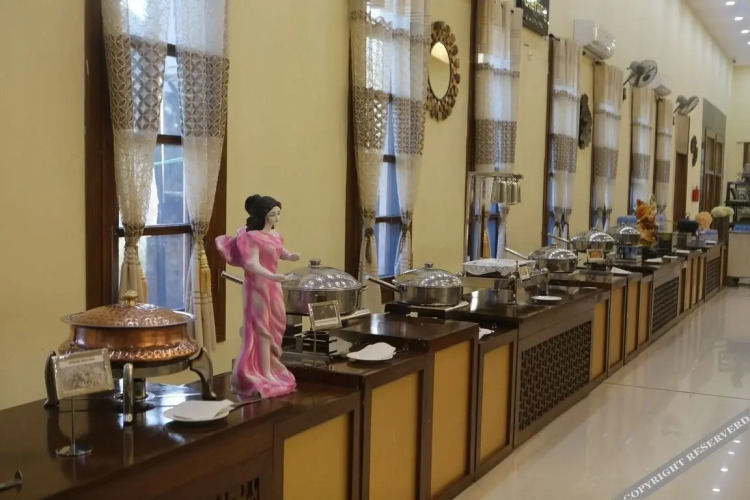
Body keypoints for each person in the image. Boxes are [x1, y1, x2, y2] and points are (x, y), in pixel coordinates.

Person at [215, 194, 300, 398]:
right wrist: (272, 275)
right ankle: (264, 372)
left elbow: (278, 250)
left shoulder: (275, 234)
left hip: (274, 286)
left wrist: (289, 256)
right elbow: (251, 264)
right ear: (263, 215)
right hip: (257, 286)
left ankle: (272, 367)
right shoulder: (250, 237)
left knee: (277, 325)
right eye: (273, 214)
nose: (277, 218)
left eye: (278, 213)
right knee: (262, 329)